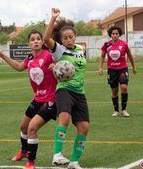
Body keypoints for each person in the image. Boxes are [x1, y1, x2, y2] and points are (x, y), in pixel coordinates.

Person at [0, 30, 58, 169]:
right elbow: (18, 67)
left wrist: (57, 66)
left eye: (38, 39)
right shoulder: (29, 58)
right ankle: (23, 152)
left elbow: (63, 63)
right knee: (23, 127)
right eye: (32, 39)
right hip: (37, 99)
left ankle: (31, 161)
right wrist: (2, 55)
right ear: (29, 43)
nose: (35, 41)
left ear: (42, 42)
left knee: (32, 128)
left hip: (51, 100)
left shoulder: (49, 55)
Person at [43, 8, 90, 169]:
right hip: (64, 90)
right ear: (61, 40)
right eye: (65, 38)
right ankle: (57, 155)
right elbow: (45, 38)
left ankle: (74, 162)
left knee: (84, 127)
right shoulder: (59, 50)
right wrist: (53, 18)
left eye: (71, 37)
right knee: (64, 118)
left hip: (80, 92)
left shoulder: (80, 50)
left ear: (75, 37)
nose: (69, 40)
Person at [99, 26, 137, 117]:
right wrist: (100, 67)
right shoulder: (107, 44)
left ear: (119, 34)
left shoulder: (124, 44)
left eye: (116, 33)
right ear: (110, 35)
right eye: (113, 34)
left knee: (124, 87)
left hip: (122, 69)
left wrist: (134, 67)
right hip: (111, 71)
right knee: (114, 91)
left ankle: (124, 110)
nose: (115, 35)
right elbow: (102, 56)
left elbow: (130, 56)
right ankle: (116, 110)